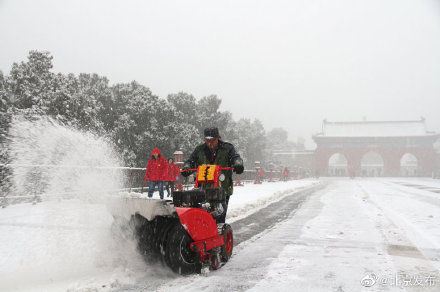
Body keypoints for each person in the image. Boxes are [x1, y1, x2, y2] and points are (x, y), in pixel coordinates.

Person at [181, 127, 244, 223]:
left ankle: (219, 233)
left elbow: (236, 157)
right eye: (207, 140)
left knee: (219, 215)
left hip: (223, 188)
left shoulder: (227, 148)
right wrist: (187, 167)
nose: (210, 143)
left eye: (213, 140)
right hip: (203, 189)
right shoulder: (199, 150)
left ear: (218, 137)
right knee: (202, 215)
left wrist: (238, 164)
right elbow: (191, 161)